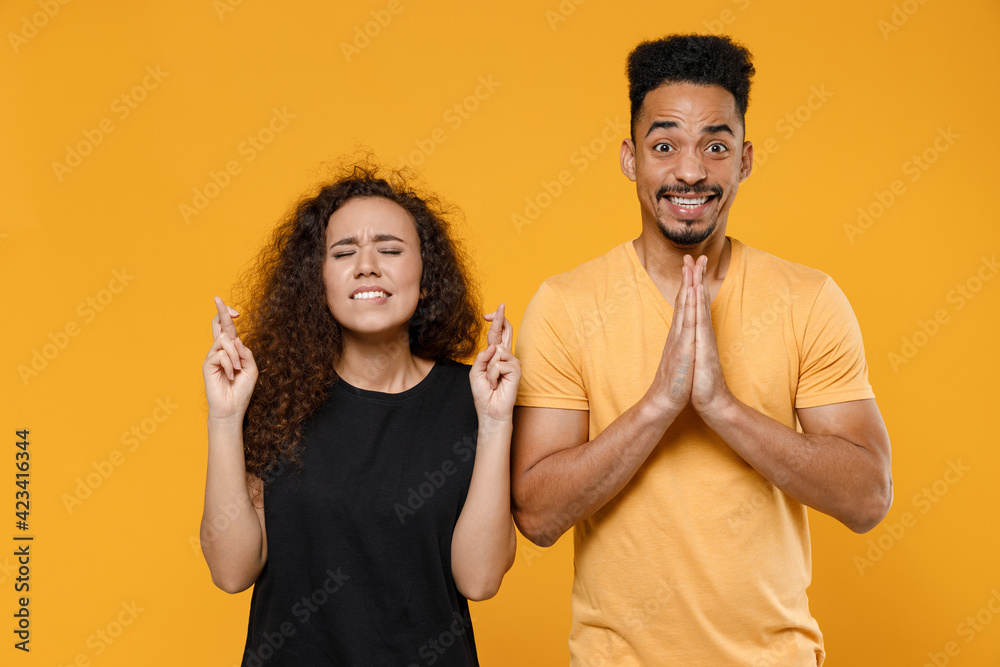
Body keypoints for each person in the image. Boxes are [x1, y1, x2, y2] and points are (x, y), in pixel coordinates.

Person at [511, 34, 892, 666]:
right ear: (632, 159)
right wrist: (659, 405)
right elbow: (539, 516)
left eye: (715, 146)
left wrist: (722, 408)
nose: (691, 171)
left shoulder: (809, 299)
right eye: (665, 146)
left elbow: (867, 498)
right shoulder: (565, 305)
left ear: (743, 160)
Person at [198, 163, 519, 666]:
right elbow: (231, 572)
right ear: (317, 281)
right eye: (343, 252)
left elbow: (479, 581)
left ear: (427, 277)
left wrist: (497, 422)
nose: (367, 266)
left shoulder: (474, 399)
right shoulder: (277, 398)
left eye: (390, 250)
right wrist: (225, 417)